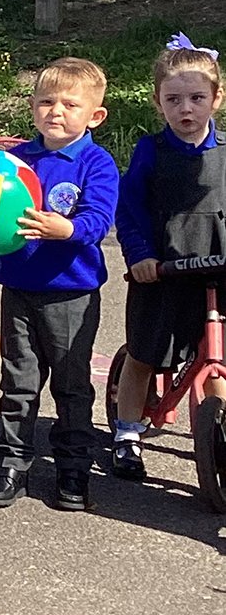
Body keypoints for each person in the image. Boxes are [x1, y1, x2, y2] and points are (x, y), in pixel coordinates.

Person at [0, 57, 119, 513]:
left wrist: (68, 230)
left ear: (94, 116)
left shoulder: (96, 162)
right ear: (33, 108)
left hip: (72, 292)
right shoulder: (18, 160)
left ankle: (73, 465)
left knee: (73, 384)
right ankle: (13, 463)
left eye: (70, 104)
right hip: (18, 288)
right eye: (46, 101)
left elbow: (98, 218)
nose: (56, 111)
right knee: (18, 381)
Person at [111, 35, 226, 482]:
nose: (186, 109)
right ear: (159, 103)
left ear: (216, 100)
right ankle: (126, 433)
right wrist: (141, 256)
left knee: (216, 355)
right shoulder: (150, 151)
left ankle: (216, 429)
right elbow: (131, 209)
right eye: (173, 99)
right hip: (164, 270)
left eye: (197, 98)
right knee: (144, 354)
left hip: (217, 269)